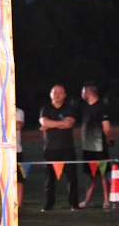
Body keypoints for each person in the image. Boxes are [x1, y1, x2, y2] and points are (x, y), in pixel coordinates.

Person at [39, 84, 79, 212]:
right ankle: (49, 204)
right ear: (50, 94)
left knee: (72, 178)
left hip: (67, 148)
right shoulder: (45, 109)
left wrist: (50, 125)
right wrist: (61, 123)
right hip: (50, 149)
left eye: (60, 92)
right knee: (49, 179)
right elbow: (44, 122)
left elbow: (69, 124)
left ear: (65, 95)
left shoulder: (70, 108)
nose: (57, 95)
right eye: (54, 92)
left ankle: (74, 204)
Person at [78, 83, 111, 209]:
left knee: (102, 174)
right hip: (87, 147)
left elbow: (106, 127)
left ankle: (106, 200)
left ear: (88, 92)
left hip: (99, 146)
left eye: (83, 91)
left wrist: (106, 139)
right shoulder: (84, 107)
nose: (82, 94)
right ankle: (88, 199)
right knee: (90, 175)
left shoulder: (102, 106)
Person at [16, 107, 26, 207]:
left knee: (19, 178)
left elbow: (18, 126)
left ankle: (19, 203)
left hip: (16, 150)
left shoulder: (18, 111)